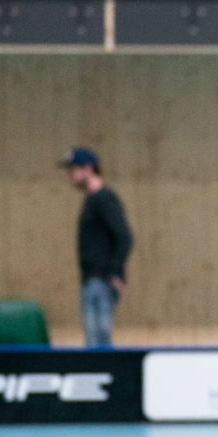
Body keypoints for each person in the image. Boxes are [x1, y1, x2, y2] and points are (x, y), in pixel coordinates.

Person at [59, 147, 133, 348]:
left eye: (73, 170)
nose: (70, 175)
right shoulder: (92, 200)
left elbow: (124, 236)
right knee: (94, 339)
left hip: (100, 280)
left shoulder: (103, 199)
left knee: (98, 341)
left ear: (88, 169)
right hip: (93, 279)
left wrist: (115, 272)